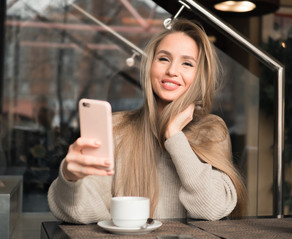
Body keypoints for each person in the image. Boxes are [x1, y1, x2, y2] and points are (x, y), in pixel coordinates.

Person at [48, 18, 247, 224]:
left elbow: (211, 208)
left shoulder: (211, 130)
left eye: (187, 63)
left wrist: (174, 136)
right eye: (163, 59)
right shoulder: (117, 128)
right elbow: (82, 211)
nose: (172, 71)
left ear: (199, 76)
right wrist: (70, 178)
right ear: (150, 66)